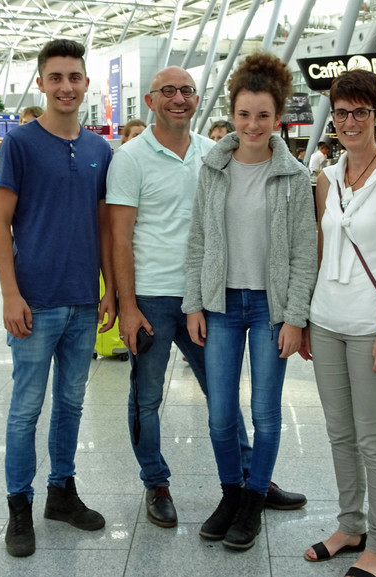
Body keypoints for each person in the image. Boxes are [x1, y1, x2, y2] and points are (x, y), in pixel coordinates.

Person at [107, 65, 307, 532]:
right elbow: (119, 238)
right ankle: (156, 482)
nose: (178, 98)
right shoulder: (131, 157)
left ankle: (249, 479)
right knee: (146, 397)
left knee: (223, 400)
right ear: (151, 99)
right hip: (155, 296)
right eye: (168, 91)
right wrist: (127, 303)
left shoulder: (211, 153)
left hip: (210, 298)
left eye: (187, 91)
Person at [183, 53, 317, 551]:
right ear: (231, 114)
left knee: (264, 410)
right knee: (220, 412)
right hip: (219, 304)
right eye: (244, 114)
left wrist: (294, 318)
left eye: (263, 115)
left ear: (277, 117)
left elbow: (305, 254)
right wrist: (193, 303)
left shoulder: (293, 176)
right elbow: (197, 240)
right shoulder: (213, 167)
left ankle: (255, 499)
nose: (253, 125)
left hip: (269, 308)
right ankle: (230, 493)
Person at [0, 38, 115, 558]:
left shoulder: (99, 149)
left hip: (84, 300)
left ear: (86, 84)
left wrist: (109, 289)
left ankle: (62, 492)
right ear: (41, 82)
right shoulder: (19, 144)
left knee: (71, 403)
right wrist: (10, 294)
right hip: (35, 301)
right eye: (56, 77)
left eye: (74, 77)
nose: (66, 86)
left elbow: (106, 226)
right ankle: (20, 505)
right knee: (25, 409)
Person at [301, 69, 376, 577]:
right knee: (338, 432)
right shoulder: (327, 177)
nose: (349, 122)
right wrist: (306, 317)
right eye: (342, 112)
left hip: (373, 324)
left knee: (373, 437)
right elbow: (322, 249)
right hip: (326, 320)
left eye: (360, 112)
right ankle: (349, 525)